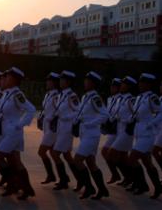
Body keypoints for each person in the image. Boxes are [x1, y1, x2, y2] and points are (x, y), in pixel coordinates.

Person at [0, 67, 38, 199]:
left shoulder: (17, 94)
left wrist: (20, 124)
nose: (5, 79)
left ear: (14, 80)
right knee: (15, 161)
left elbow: (31, 109)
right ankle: (27, 188)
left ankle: (13, 183)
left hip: (13, 132)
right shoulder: (7, 93)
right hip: (5, 131)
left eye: (8, 77)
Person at [127, 73, 162, 199]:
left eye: (143, 83)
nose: (140, 85)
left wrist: (152, 123)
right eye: (140, 82)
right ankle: (158, 187)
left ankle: (142, 185)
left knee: (132, 159)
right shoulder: (139, 97)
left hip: (148, 134)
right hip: (139, 132)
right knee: (146, 161)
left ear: (149, 84)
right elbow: (136, 113)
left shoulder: (152, 97)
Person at [72, 71, 110, 199]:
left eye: (88, 81)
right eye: (85, 80)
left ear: (93, 84)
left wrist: (90, 123)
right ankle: (102, 189)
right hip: (84, 133)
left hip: (92, 134)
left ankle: (89, 188)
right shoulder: (85, 96)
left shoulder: (95, 98)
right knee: (90, 162)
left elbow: (105, 115)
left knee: (77, 160)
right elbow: (82, 113)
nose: (85, 82)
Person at [52, 70, 80, 191]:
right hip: (60, 128)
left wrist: (65, 117)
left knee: (55, 153)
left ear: (68, 82)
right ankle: (80, 180)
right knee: (67, 156)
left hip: (67, 129)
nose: (60, 82)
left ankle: (64, 180)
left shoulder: (71, 96)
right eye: (60, 79)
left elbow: (78, 112)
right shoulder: (61, 94)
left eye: (62, 80)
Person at [107, 76, 136, 185]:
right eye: (121, 84)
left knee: (111, 153)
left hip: (126, 131)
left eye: (124, 85)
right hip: (118, 130)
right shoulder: (121, 99)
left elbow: (135, 115)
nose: (121, 87)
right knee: (123, 156)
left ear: (129, 87)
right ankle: (129, 178)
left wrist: (124, 119)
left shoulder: (131, 100)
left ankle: (131, 178)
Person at [37, 72, 61, 184]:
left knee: (41, 152)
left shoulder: (56, 96)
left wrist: (52, 117)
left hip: (52, 128)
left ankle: (53, 175)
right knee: (53, 153)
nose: (47, 83)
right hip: (47, 127)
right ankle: (62, 178)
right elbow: (45, 109)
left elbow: (59, 110)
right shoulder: (48, 94)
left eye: (49, 81)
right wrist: (41, 117)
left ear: (54, 83)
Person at [101, 78, 123, 183]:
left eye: (114, 87)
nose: (112, 88)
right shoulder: (110, 99)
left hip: (120, 130)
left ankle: (126, 176)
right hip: (112, 130)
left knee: (119, 155)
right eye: (111, 86)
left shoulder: (121, 99)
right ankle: (116, 174)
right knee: (105, 151)